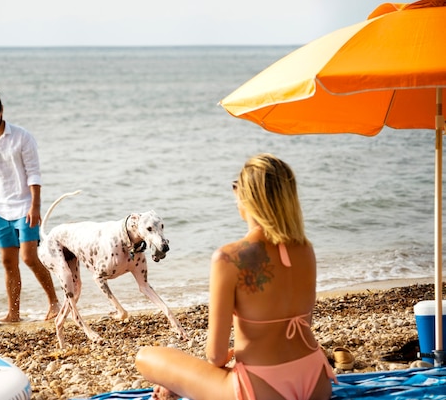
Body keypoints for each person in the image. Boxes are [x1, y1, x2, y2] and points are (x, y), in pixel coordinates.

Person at [135, 154, 337, 400]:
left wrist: (228, 359)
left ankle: (181, 388)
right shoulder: (305, 249)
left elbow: (215, 357)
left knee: (146, 357)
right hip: (316, 380)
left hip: (261, 390)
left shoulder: (229, 258)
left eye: (236, 186)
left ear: (247, 197)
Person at [0, 89, 60, 323]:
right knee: (8, 263)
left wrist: (35, 206)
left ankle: (55, 303)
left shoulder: (22, 136)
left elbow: (34, 173)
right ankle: (13, 314)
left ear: (2, 108)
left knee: (28, 257)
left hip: (26, 206)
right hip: (2, 210)